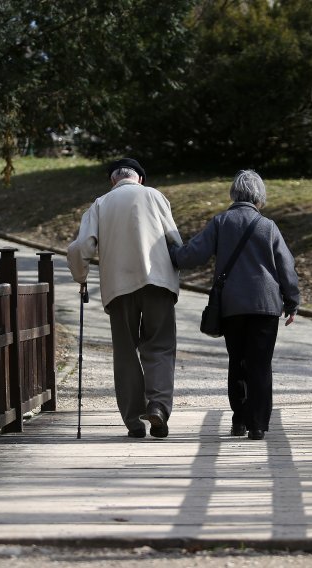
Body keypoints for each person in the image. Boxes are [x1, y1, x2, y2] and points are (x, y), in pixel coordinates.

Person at [168, 170, 300, 441]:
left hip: (232, 306)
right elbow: (286, 267)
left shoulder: (221, 222)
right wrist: (292, 300)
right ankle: (258, 424)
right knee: (260, 364)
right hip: (265, 305)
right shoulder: (268, 227)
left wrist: (170, 253)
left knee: (237, 361)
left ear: (233, 194)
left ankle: (239, 419)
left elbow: (193, 254)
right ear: (259, 197)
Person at [66, 158, 182, 439]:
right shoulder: (156, 197)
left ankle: (133, 421)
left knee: (126, 352)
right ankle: (158, 406)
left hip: (119, 288)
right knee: (160, 347)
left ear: (113, 181)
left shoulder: (100, 204)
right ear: (140, 179)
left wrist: (81, 278)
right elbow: (174, 240)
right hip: (159, 283)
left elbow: (82, 246)